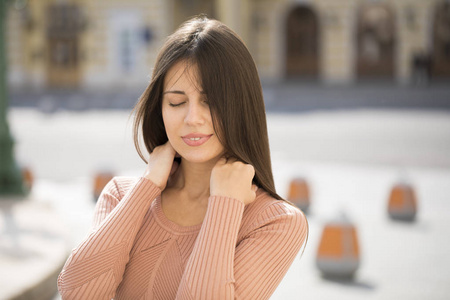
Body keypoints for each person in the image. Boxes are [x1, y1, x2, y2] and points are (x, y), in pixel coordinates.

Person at [57, 15, 308, 299]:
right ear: (159, 108)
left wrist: (225, 204)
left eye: (210, 101)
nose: (192, 119)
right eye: (176, 102)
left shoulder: (274, 222)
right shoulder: (120, 196)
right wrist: (147, 186)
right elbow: (77, 293)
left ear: (241, 106)